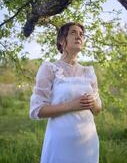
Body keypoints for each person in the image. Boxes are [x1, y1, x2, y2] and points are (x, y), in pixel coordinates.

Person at [29, 22, 102, 163]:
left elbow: (97, 110)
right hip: (60, 142)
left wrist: (93, 103)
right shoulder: (49, 69)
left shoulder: (89, 72)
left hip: (87, 144)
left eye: (81, 34)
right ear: (62, 41)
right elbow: (36, 110)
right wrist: (71, 106)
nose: (79, 36)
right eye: (73, 32)